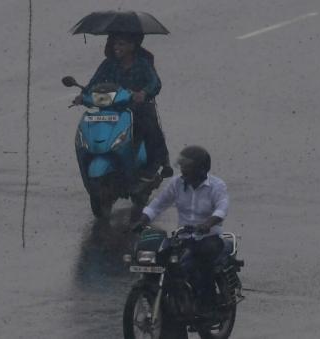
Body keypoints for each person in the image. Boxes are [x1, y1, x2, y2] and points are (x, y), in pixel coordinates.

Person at [132, 145, 229, 316]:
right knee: (160, 258)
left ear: (200, 169)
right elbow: (158, 204)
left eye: (187, 166)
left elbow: (222, 209)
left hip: (209, 238)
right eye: (182, 165)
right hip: (184, 236)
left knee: (202, 261)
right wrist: (142, 220)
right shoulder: (176, 183)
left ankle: (208, 305)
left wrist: (208, 223)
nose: (183, 169)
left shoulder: (216, 186)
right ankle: (168, 298)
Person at [74, 32, 172, 181]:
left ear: (132, 46)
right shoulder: (109, 64)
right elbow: (94, 82)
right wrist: (83, 95)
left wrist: (144, 93)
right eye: (115, 44)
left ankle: (154, 163)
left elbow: (154, 82)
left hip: (137, 107)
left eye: (121, 44)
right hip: (112, 106)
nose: (116, 47)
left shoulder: (142, 64)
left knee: (148, 125)